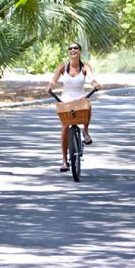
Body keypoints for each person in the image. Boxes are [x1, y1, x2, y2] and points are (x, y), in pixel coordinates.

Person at [47, 42, 99, 172]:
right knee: (64, 127)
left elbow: (91, 78)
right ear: (68, 52)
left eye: (76, 48)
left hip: (80, 96)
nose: (73, 50)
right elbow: (54, 79)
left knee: (88, 104)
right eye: (70, 48)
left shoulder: (85, 66)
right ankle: (64, 161)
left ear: (80, 51)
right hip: (66, 98)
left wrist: (95, 83)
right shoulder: (63, 66)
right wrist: (50, 86)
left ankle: (85, 131)